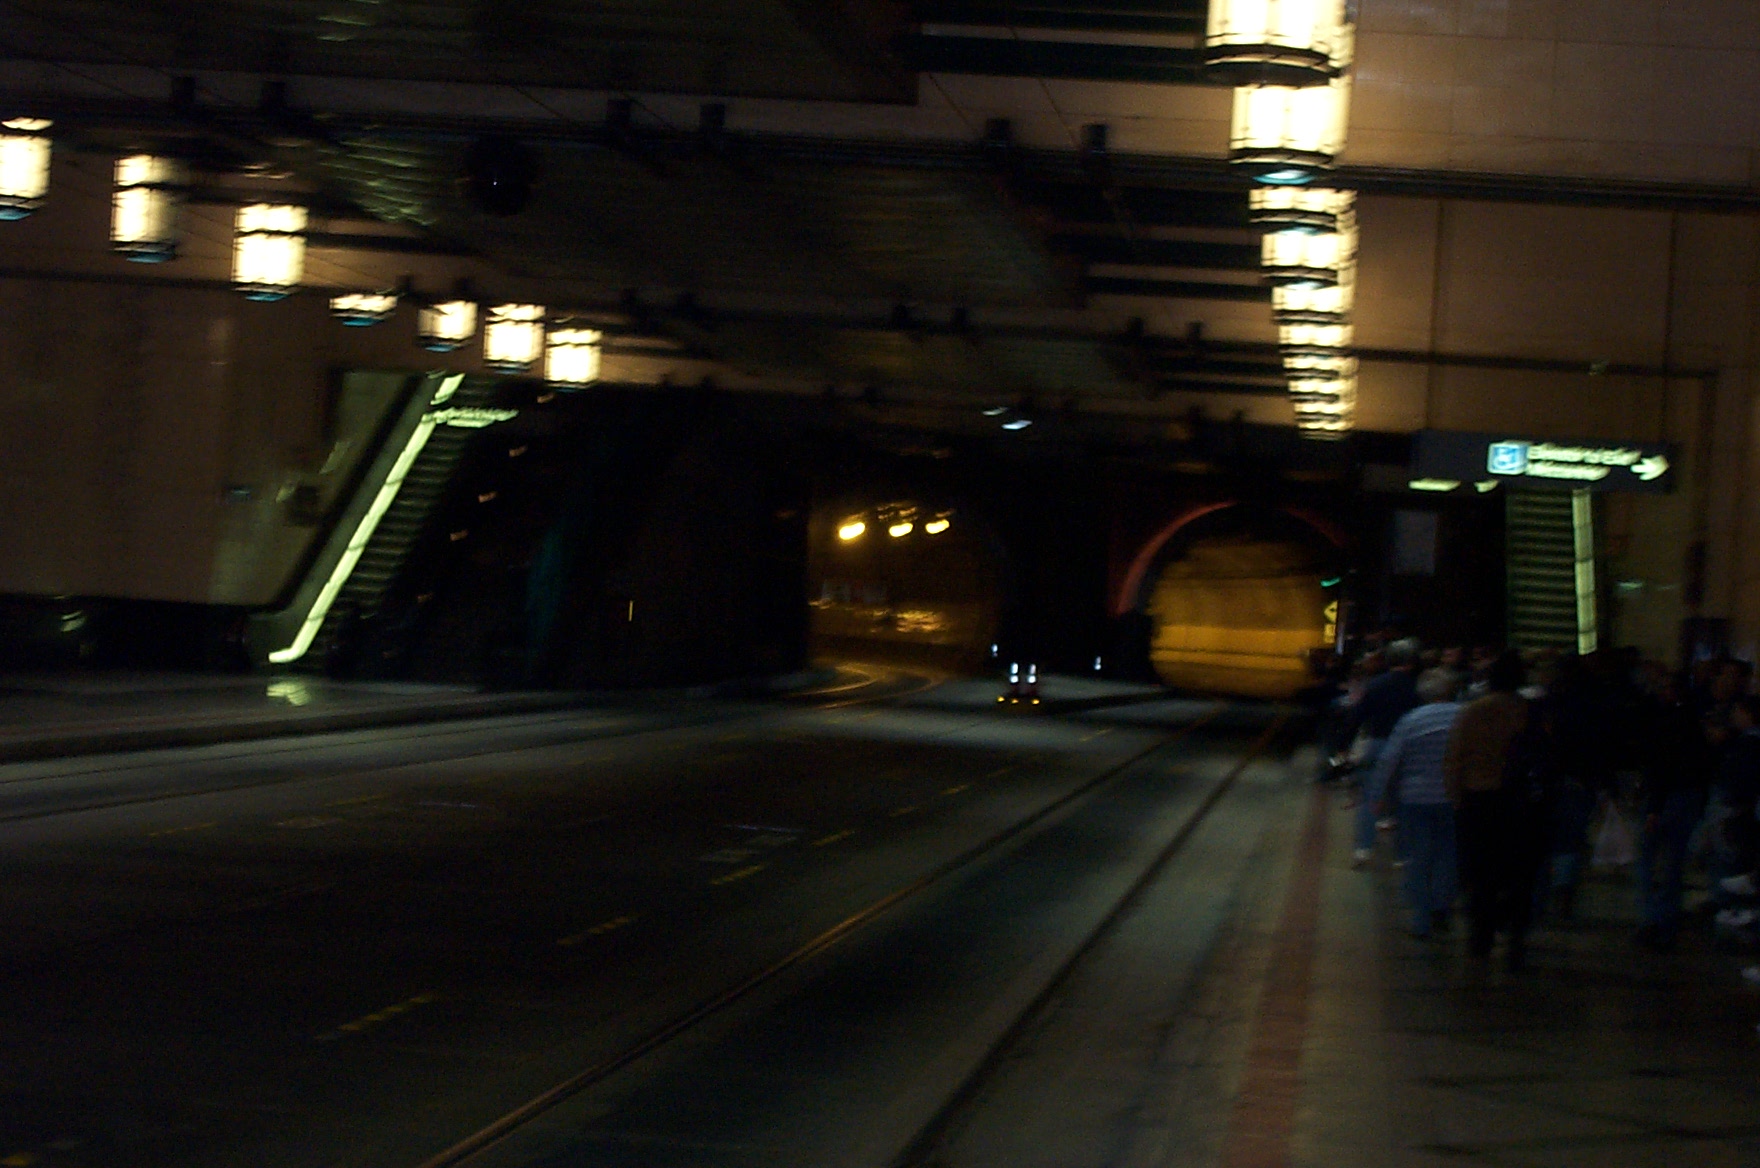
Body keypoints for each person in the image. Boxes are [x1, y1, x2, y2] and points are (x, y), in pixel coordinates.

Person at [1444, 649, 1549, 971]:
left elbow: (1455, 757)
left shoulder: (1473, 711)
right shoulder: (1530, 711)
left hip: (1478, 798)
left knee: (1480, 873)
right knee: (1520, 873)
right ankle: (1516, 937)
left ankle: (1481, 937)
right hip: (1520, 801)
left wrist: (1456, 797)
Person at [1371, 667, 1463, 937]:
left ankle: (1421, 920)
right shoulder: (1464, 716)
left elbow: (1389, 760)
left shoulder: (1411, 720)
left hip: (1415, 798)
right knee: (1448, 856)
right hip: (1453, 797)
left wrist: (1378, 794)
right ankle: (1441, 907)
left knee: (1419, 857)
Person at [1634, 671, 1713, 951]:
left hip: (1667, 798)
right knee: (1673, 864)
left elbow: (1661, 766)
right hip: (1687, 797)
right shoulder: (1694, 722)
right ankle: (1666, 923)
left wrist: (1654, 807)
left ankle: (1652, 920)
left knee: (1650, 861)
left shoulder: (1666, 723)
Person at [1346, 637, 1422, 867]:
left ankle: (1363, 849)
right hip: (1407, 748)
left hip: (1377, 743)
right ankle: (1402, 854)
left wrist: (1344, 745)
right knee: (1402, 800)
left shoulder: (1376, 684)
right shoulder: (1417, 688)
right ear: (1411, 661)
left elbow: (1357, 716)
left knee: (1370, 796)